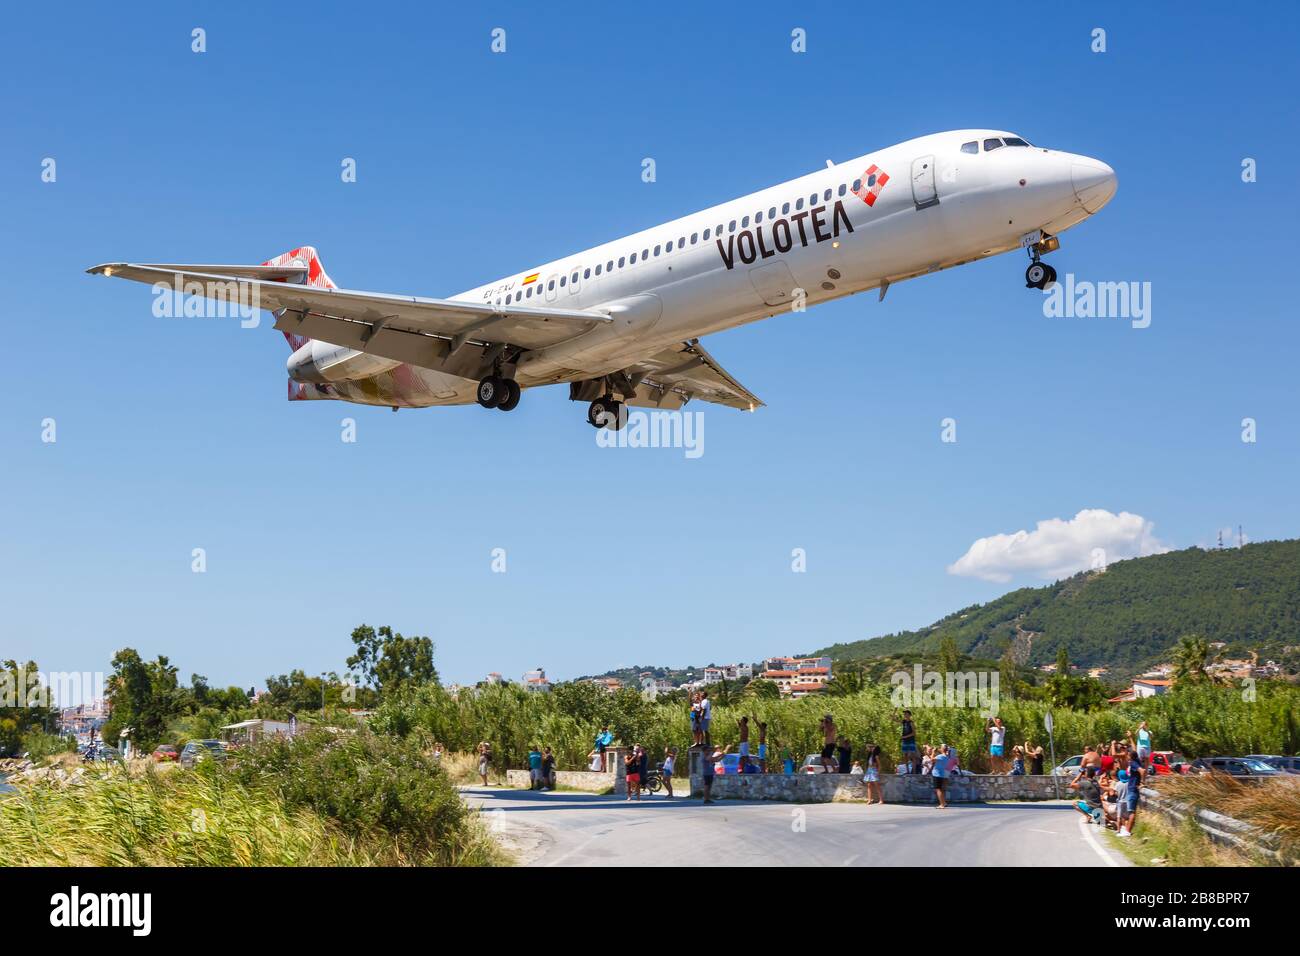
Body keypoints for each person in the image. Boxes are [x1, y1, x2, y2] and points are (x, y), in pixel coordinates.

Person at [1117, 752, 1142, 837]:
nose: (1126, 756)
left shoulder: (1133, 763)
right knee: (1130, 810)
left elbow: (1142, 771)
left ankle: (1127, 831)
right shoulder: (1136, 762)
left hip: (1133, 789)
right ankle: (1126, 830)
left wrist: (1142, 782)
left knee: (1131, 811)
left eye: (1128, 755)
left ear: (1130, 756)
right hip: (1132, 788)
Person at [931, 743, 952, 808]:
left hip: (938, 774)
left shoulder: (940, 756)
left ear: (942, 749)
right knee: (942, 789)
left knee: (938, 789)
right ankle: (944, 802)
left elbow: (932, 760)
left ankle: (942, 804)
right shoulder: (947, 756)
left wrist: (933, 752)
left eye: (940, 747)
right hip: (943, 774)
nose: (939, 748)